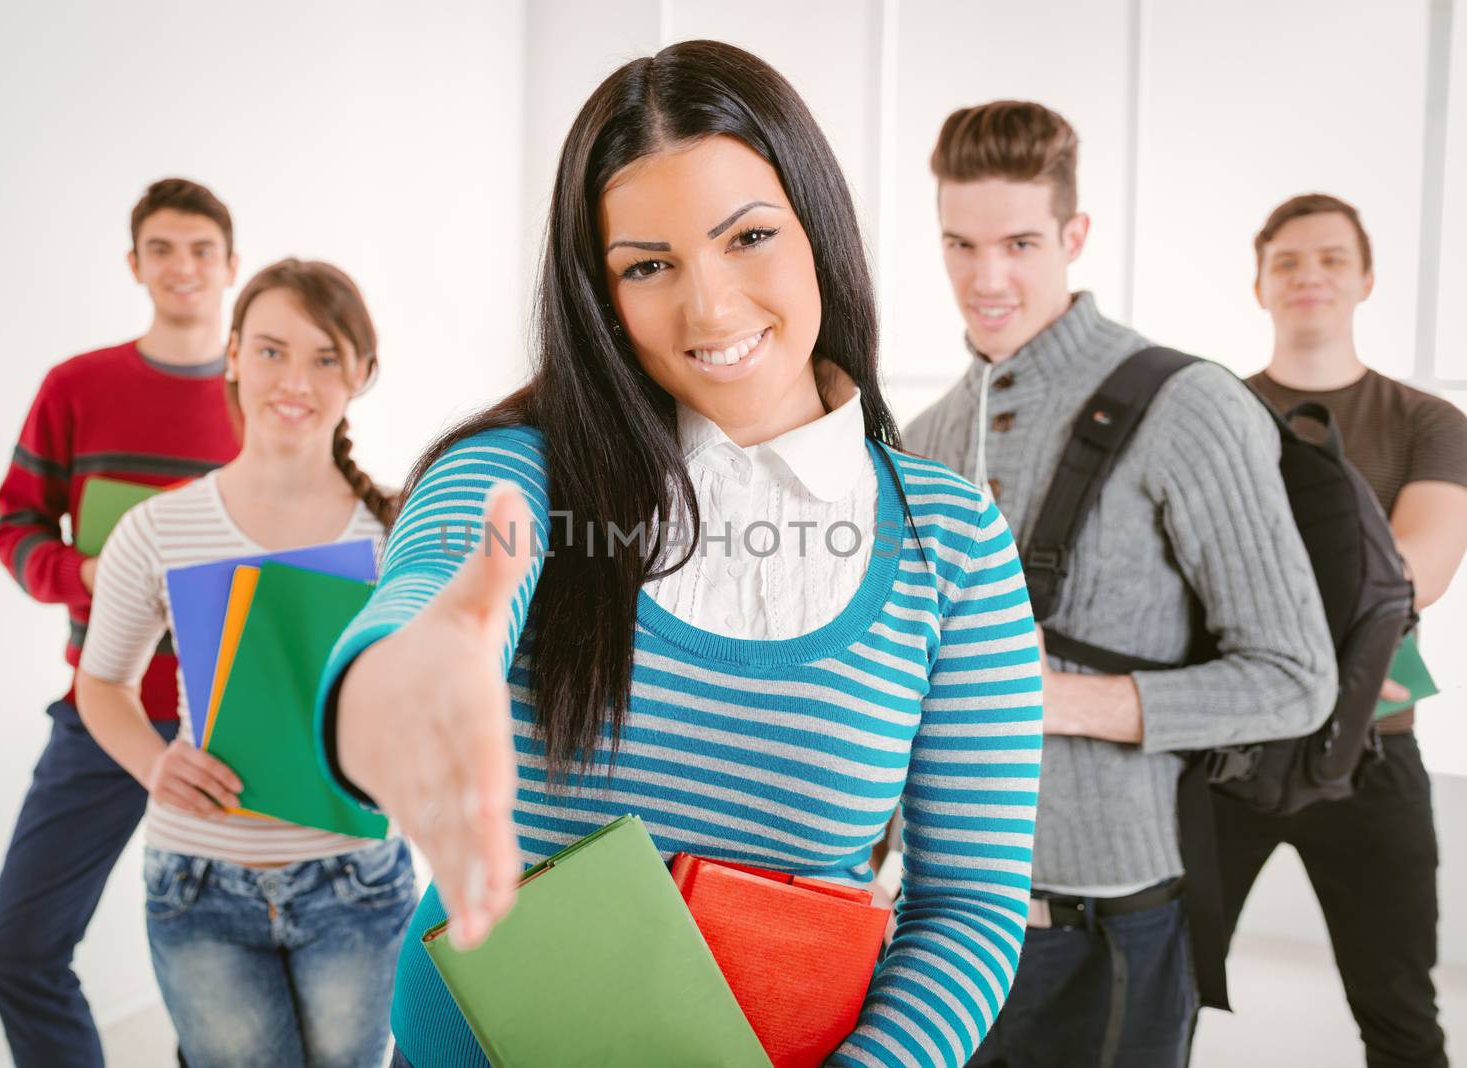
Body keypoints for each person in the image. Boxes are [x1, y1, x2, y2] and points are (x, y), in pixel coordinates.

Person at [317, 40, 1044, 1068]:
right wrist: (410, 675)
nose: (707, 307)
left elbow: (967, 905)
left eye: (747, 237)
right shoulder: (520, 476)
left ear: (817, 232)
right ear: (599, 293)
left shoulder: (951, 543)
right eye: (647, 265)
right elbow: (429, 599)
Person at [902, 101, 1338, 1067]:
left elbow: (1297, 680)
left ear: (1074, 235)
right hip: (934, 935)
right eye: (960, 244)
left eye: (1019, 242)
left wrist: (1047, 700)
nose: (987, 278)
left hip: (1114, 923)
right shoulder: (925, 435)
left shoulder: (1188, 407)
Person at [76, 259, 416, 1068]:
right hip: (199, 885)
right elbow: (102, 684)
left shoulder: (403, 530)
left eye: (325, 356)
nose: (293, 380)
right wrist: (156, 765)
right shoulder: (160, 528)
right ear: (231, 356)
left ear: (362, 373)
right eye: (269, 350)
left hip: (356, 882)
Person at [0, 177, 241, 1068]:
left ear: (230, 265)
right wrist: (90, 571)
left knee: (230, 970)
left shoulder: (265, 397)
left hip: (231, 720)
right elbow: (15, 526)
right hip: (103, 707)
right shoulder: (77, 387)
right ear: (135, 264)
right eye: (161, 249)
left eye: (201, 249)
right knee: (16, 947)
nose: (182, 267)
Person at [1213, 193, 1467, 1068]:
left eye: (1329, 258)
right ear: (1259, 285)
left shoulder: (1429, 423)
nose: (1308, 275)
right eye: (1286, 260)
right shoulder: (1208, 414)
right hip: (1226, 757)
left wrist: (1254, 609)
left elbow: (1412, 574)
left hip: (1375, 757)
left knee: (1400, 1018)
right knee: (1154, 993)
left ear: (1365, 280)